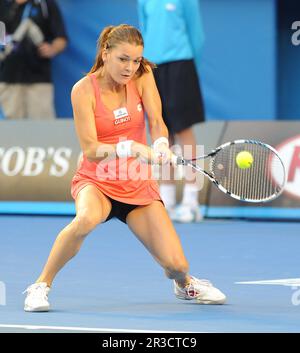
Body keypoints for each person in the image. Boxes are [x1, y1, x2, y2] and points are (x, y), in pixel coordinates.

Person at [23, 24, 226, 312]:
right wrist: (128, 148)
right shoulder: (83, 90)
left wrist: (159, 144)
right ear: (105, 54)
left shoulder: (143, 77)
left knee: (176, 265)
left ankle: (185, 285)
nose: (130, 67)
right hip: (97, 180)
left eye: (136, 60)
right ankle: (41, 285)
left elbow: (157, 122)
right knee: (86, 219)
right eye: (123, 59)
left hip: (137, 184)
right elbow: (91, 151)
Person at [138, 0, 206, 223]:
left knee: (184, 131)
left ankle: (191, 202)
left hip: (181, 64)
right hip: (152, 68)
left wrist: (188, 64)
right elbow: (144, 33)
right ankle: (165, 201)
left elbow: (196, 36)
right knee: (161, 134)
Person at [0, 0, 68, 120]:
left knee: (44, 129)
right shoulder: (4, 5)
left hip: (39, 80)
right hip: (8, 79)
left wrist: (52, 48)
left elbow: (61, 39)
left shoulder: (45, 4)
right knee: (11, 130)